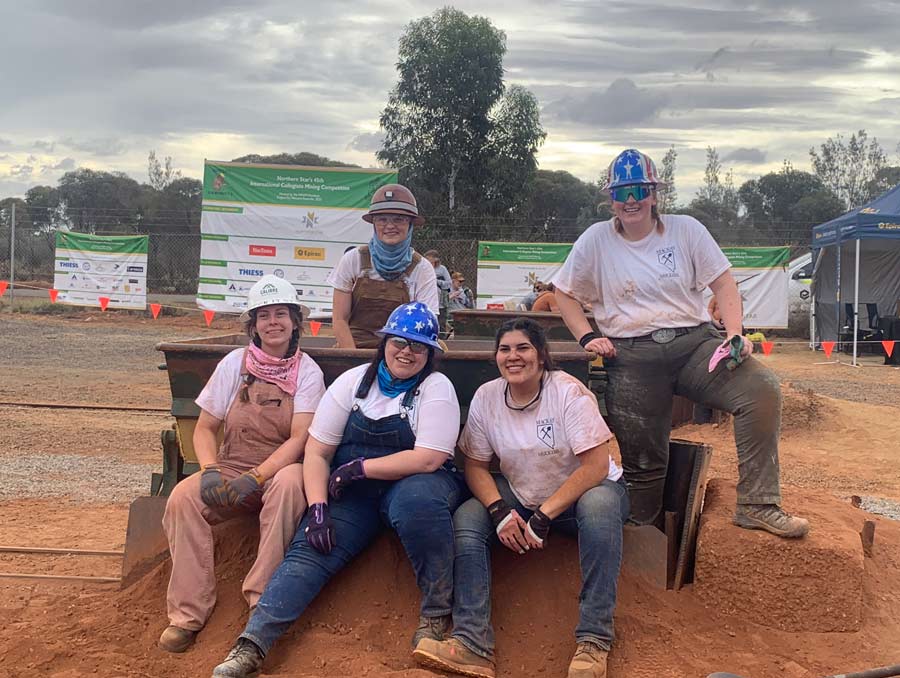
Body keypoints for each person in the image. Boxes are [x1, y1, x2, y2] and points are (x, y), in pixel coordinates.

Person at [552, 148, 808, 539]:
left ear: (655, 194)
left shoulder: (686, 229)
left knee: (760, 390)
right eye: (622, 193)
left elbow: (723, 283)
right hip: (631, 355)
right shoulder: (595, 241)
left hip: (695, 346)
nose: (631, 200)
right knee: (644, 461)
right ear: (611, 199)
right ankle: (643, 542)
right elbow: (563, 293)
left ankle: (757, 503)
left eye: (639, 190)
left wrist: (735, 333)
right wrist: (587, 336)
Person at [212, 302, 468, 678]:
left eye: (418, 346)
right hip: (354, 490)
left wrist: (361, 467)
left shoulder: (436, 388)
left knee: (417, 505)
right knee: (310, 549)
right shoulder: (354, 382)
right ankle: (252, 644)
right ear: (384, 344)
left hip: (415, 481)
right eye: (399, 342)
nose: (407, 352)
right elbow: (317, 451)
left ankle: (435, 613)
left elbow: (428, 458)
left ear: (429, 353)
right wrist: (317, 508)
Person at [413, 318, 627, 678]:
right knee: (468, 517)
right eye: (505, 349)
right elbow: (476, 466)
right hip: (524, 491)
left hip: (582, 494)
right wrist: (498, 511)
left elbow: (594, 466)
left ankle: (594, 640)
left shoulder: (567, 392)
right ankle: (472, 641)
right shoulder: (487, 396)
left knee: (601, 505)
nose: (513, 356)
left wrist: (543, 516)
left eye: (523, 348)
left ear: (541, 356)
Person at [158, 275, 326, 653]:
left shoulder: (309, 372)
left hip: (280, 468)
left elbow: (300, 439)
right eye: (263, 316)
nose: (273, 323)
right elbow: (204, 428)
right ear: (253, 326)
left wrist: (258, 476)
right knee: (182, 500)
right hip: (231, 464)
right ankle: (187, 614)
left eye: (281, 314)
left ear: (296, 321)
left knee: (288, 484)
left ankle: (261, 601)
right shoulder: (235, 363)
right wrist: (210, 470)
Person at [329, 184, 438, 348]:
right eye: (382, 219)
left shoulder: (422, 268)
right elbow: (339, 320)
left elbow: (425, 325)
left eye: (398, 219)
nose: (390, 226)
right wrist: (353, 360)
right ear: (373, 223)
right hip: (354, 348)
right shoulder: (353, 260)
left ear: (410, 225)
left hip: (403, 351)